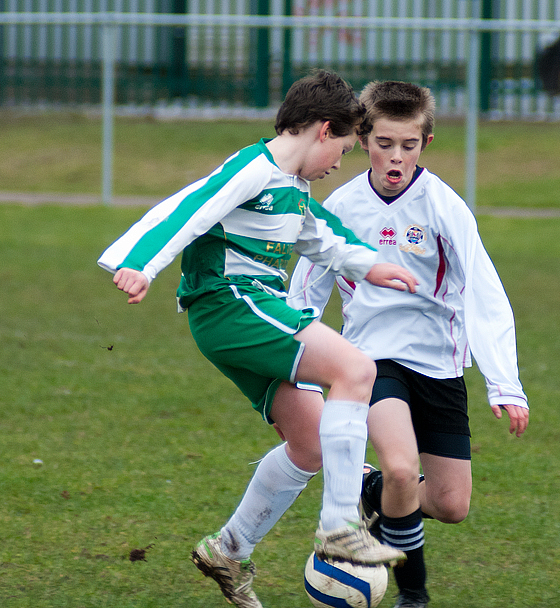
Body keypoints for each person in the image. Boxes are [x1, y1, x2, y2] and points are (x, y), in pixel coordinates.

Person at [97, 70, 418, 608]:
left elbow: (325, 238)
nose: (340, 163)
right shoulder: (253, 168)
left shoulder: (293, 189)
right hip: (229, 303)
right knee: (356, 370)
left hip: (248, 313)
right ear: (323, 129)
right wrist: (139, 263)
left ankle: (229, 549)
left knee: (311, 442)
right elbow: (188, 209)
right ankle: (341, 529)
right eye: (342, 148)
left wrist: (373, 266)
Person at [288, 80, 529, 608]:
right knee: (401, 468)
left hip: (439, 365)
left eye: (409, 145)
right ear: (362, 139)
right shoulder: (342, 206)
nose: (396, 157)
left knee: (449, 503)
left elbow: (483, 292)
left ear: (426, 143)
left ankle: (368, 491)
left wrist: (504, 383)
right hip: (371, 360)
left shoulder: (444, 207)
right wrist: (296, 366)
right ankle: (413, 596)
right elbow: (307, 289)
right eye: (384, 143)